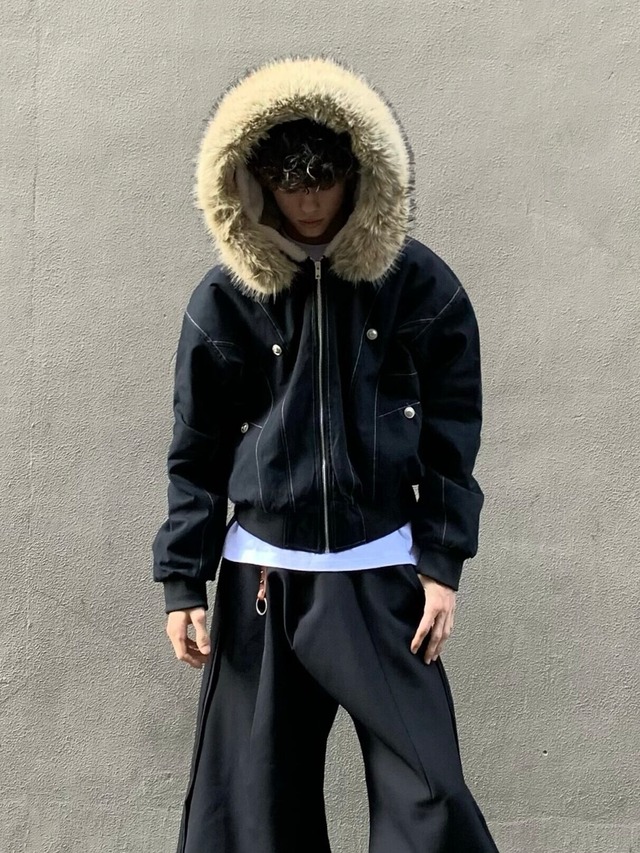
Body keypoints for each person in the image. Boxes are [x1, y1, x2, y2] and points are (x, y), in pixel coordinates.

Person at [152, 55, 500, 853]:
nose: (308, 203)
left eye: (325, 183)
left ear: (360, 175)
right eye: (289, 185)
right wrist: (183, 579)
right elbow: (196, 445)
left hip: (382, 575)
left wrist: (442, 562)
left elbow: (454, 433)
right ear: (254, 181)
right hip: (263, 579)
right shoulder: (225, 297)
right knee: (253, 813)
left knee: (431, 796)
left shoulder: (417, 285)